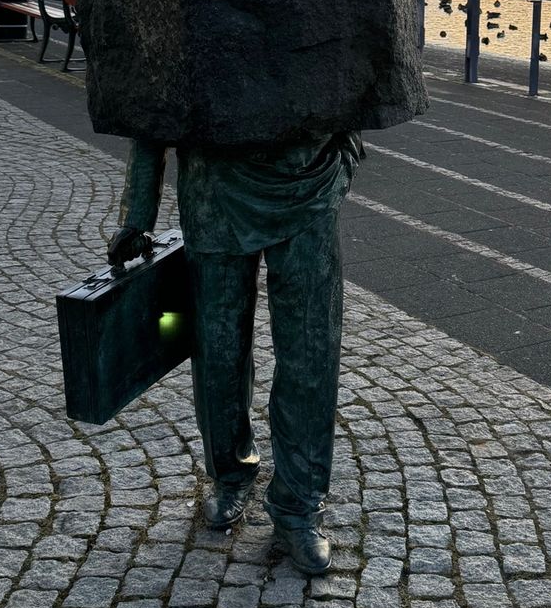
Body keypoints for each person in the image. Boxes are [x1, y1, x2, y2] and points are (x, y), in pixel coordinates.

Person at [108, 131, 363, 574]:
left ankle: (299, 503)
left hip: (308, 178)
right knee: (218, 349)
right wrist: (138, 214)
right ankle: (229, 472)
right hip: (215, 187)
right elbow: (147, 97)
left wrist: (348, 148)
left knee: (311, 352)